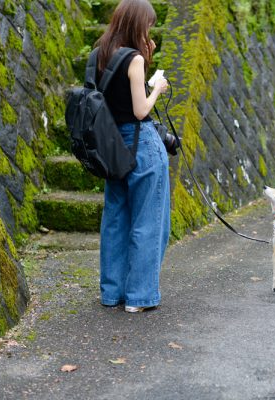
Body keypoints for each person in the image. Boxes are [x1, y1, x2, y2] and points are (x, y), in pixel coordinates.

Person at [95, 0, 171, 313]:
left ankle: (112, 293)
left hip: (112, 146)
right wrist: (158, 89)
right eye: (148, 26)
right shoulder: (135, 59)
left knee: (116, 219)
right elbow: (140, 109)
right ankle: (139, 297)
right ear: (138, 24)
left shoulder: (99, 51)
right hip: (141, 145)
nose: (149, 31)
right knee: (149, 220)